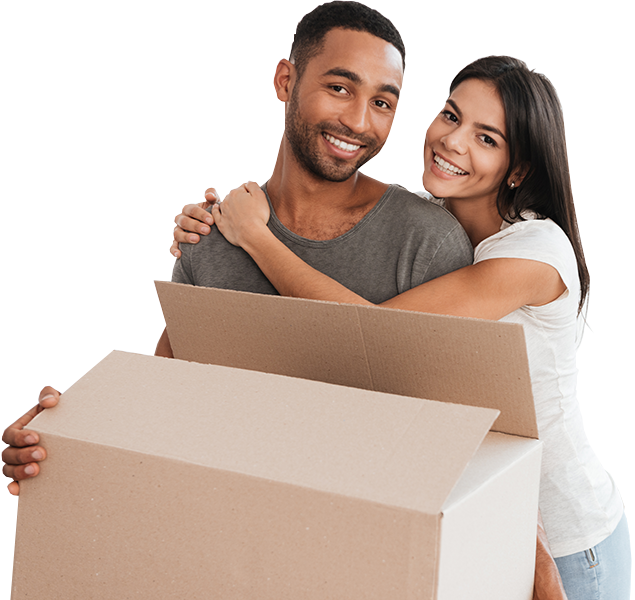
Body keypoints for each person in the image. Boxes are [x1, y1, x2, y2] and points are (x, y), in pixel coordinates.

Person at [0, 2, 573, 596]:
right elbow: (160, 417)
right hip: (242, 564)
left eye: (382, 101)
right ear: (285, 80)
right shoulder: (211, 243)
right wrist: (62, 433)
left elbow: (475, 436)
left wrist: (532, 565)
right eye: (338, 87)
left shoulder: (427, 240)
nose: (357, 120)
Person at [173, 55, 633, 599]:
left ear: (519, 169)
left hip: (566, 540)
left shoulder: (534, 255)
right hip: (484, 521)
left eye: (486, 138)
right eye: (450, 115)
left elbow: (375, 337)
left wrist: (256, 237)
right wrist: (209, 228)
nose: (452, 141)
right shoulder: (431, 223)